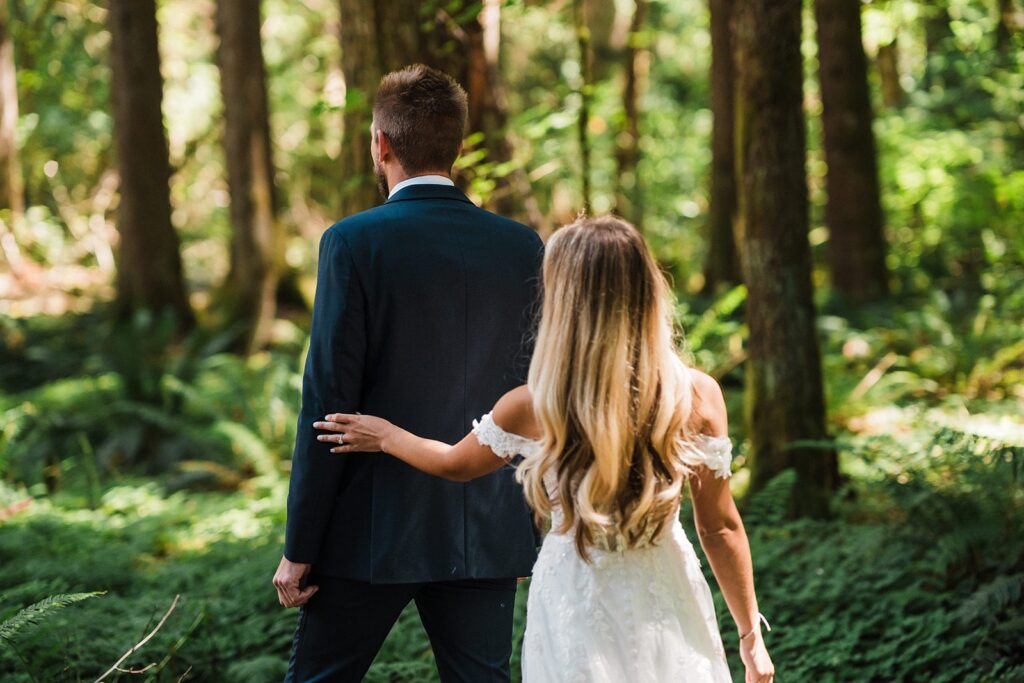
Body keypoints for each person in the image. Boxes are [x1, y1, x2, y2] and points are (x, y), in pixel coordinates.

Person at [315, 216, 777, 682]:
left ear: (563, 298)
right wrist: (750, 637)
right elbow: (719, 527)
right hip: (666, 588)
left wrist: (387, 435)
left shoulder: (534, 404)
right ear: (646, 289)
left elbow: (455, 464)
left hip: (575, 594)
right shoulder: (696, 394)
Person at [273, 64, 543, 682]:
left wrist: (301, 548)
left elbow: (329, 405)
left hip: (370, 531)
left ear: (381, 144)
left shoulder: (351, 242)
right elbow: (537, 393)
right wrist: (525, 523)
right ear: (457, 146)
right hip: (485, 530)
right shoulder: (521, 245)